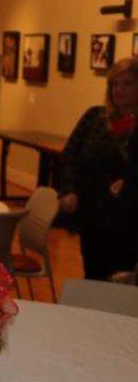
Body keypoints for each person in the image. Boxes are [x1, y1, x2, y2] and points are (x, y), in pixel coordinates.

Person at [59, 57, 137, 279]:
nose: (120, 90)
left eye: (128, 84)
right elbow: (69, 155)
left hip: (127, 223)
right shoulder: (95, 116)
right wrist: (69, 190)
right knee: (94, 276)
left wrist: (128, 182)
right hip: (92, 217)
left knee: (120, 285)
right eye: (115, 84)